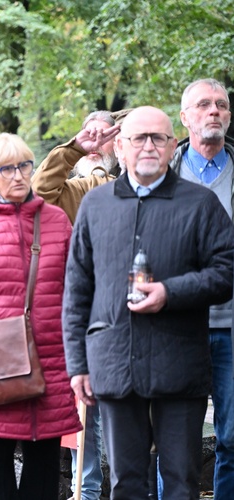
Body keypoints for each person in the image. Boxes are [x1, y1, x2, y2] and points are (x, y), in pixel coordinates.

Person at [63, 106, 234, 500]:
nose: (149, 146)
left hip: (180, 364)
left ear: (173, 145)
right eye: (139, 138)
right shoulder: (96, 205)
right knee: (125, 482)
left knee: (180, 482)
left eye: (159, 137)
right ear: (119, 147)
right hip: (114, 363)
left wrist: (170, 292)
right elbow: (76, 291)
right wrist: (78, 365)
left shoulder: (200, 203)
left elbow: (226, 271)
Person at [0, 133, 81, 500]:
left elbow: (76, 295)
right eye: (7, 168)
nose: (19, 175)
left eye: (24, 165)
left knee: (44, 463)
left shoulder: (56, 220)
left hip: (52, 361)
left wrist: (81, 364)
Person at [33, 110, 123, 500]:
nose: (100, 140)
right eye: (93, 134)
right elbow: (39, 190)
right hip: (87, 312)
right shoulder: (77, 189)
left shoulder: (147, 181)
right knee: (85, 404)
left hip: (139, 311)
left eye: (110, 134)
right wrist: (74, 148)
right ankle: (86, 491)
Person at [169, 78, 234, 500]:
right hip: (176, 325)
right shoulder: (161, 173)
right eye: (204, 105)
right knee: (175, 441)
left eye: (222, 105)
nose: (215, 111)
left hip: (231, 327)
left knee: (232, 437)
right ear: (185, 116)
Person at [31, 110, 122, 224]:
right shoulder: (71, 190)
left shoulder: (131, 181)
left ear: (117, 144)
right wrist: (74, 149)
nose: (96, 142)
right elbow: (37, 194)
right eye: (90, 135)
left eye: (104, 136)